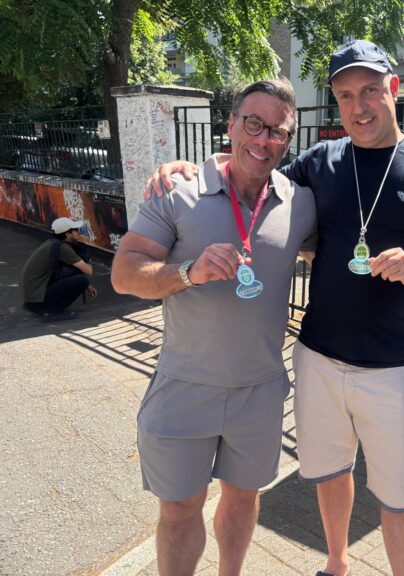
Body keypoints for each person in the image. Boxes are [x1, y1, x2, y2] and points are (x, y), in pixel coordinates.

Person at [146, 40, 404, 576]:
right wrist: (189, 166)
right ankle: (337, 564)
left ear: (394, 90)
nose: (359, 106)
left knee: (399, 498)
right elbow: (253, 171)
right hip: (318, 358)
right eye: (345, 95)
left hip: (392, 366)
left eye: (371, 90)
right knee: (328, 472)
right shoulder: (320, 162)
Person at [111, 78, 316, 576]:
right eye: (253, 123)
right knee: (180, 510)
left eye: (278, 132)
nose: (263, 139)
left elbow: (335, 246)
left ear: (288, 141)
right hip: (185, 388)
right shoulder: (177, 192)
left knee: (244, 501)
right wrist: (188, 272)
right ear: (230, 124)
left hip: (261, 391)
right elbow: (123, 274)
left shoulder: (301, 202)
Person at [21, 217, 97, 320]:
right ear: (67, 234)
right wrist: (89, 264)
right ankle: (52, 311)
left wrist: (88, 285)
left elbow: (61, 271)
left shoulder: (52, 242)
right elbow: (88, 270)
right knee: (82, 280)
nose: (79, 232)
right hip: (38, 300)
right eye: (76, 230)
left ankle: (49, 308)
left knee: (81, 279)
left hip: (33, 299)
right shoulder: (62, 248)